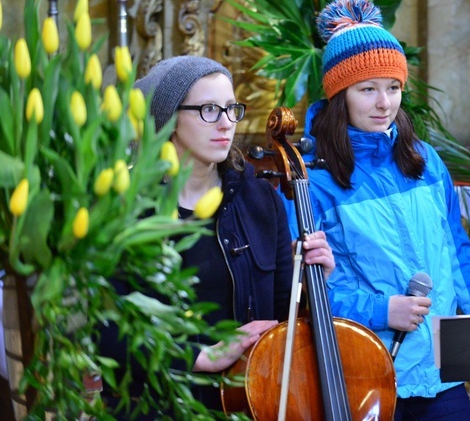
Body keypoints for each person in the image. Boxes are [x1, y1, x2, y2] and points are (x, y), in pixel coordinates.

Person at [284, 0, 470, 420]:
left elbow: (459, 257)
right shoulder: (312, 179)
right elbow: (302, 293)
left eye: (393, 87)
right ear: (340, 95)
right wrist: (381, 310)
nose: (384, 103)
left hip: (443, 378)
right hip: (367, 376)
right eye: (367, 89)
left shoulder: (426, 162)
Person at [99, 56, 334, 417]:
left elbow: (284, 320)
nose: (226, 123)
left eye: (231, 109)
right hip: (159, 406)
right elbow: (108, 329)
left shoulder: (260, 198)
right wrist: (200, 355)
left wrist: (315, 277)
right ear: (170, 119)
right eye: (209, 109)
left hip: (251, 401)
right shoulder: (126, 206)